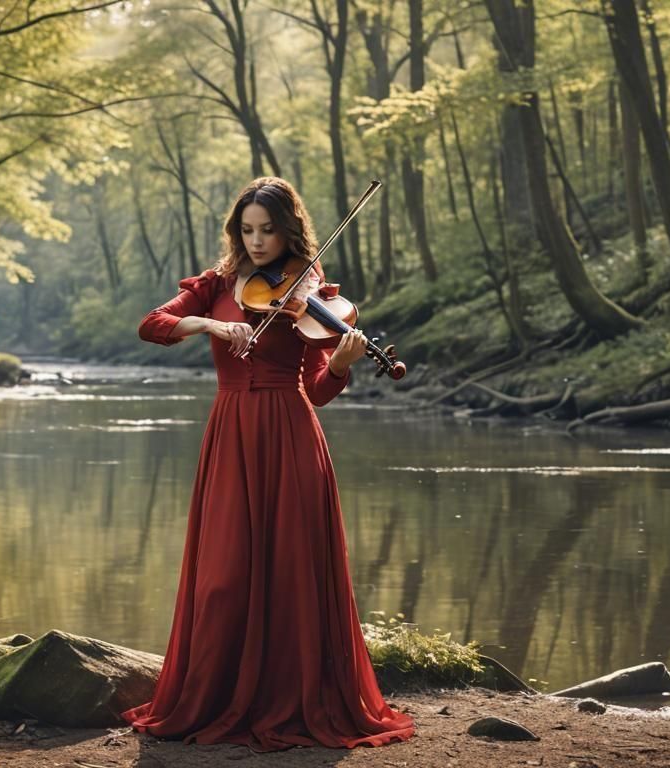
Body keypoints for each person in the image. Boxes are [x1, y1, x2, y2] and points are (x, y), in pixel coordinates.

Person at [121, 177, 416, 751]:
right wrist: (210, 322)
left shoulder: (313, 294)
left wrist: (343, 364)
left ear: (288, 230)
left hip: (290, 433)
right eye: (247, 230)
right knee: (223, 574)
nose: (257, 242)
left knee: (293, 571)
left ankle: (295, 697)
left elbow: (318, 390)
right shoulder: (216, 284)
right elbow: (151, 325)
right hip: (230, 434)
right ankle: (219, 692)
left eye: (268, 230)